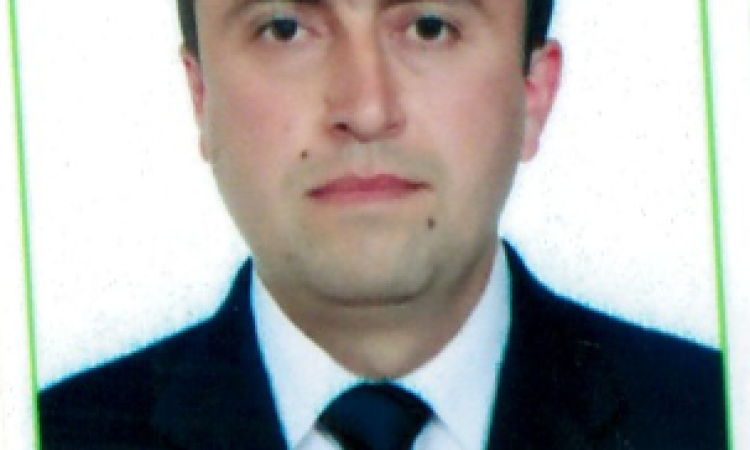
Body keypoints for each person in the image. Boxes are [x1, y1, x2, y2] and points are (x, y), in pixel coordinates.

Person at [39, 0, 727, 448]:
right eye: (285, 29)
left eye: (430, 26)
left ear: (534, 92)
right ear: (200, 96)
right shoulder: (48, 433)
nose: (366, 109)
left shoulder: (716, 418)